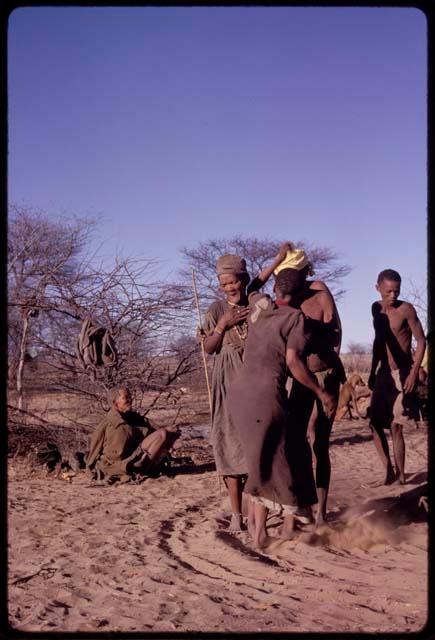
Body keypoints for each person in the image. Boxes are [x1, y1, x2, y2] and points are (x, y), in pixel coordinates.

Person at [227, 266, 337, 549]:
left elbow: (251, 289)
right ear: (300, 293)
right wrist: (319, 391)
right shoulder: (295, 318)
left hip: (238, 396)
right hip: (265, 397)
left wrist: (276, 260)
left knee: (260, 459)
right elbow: (293, 363)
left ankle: (258, 526)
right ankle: (279, 521)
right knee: (275, 460)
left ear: (275, 290)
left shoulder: (260, 308)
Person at [201, 244, 294, 531]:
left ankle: (263, 510)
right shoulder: (217, 309)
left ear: (243, 279)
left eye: (234, 281)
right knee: (230, 444)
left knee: (257, 443)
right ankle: (237, 517)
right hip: (228, 381)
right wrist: (223, 325)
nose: (230, 287)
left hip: (255, 377)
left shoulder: (253, 298)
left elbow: (262, 278)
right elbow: (208, 347)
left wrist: (279, 259)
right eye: (224, 283)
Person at [282, 249, 345, 525]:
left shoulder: (320, 296)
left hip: (323, 374)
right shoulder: (285, 303)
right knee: (296, 443)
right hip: (299, 378)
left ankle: (321, 512)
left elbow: (335, 333)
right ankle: (302, 506)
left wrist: (330, 366)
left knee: (320, 443)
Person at [368, 269, 426, 484]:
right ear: (378, 288)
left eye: (396, 291)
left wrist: (412, 372)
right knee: (374, 424)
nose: (393, 295)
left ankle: (401, 476)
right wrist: (374, 371)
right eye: (388, 291)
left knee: (395, 426)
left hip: (402, 373)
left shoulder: (406, 310)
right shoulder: (376, 309)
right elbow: (377, 342)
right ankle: (388, 470)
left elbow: (421, 341)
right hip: (383, 374)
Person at [86, 386, 179, 482]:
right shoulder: (106, 425)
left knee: (168, 433)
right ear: (115, 403)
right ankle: (142, 470)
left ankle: (148, 468)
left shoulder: (134, 417)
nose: (130, 399)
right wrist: (90, 471)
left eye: (130, 396)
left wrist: (169, 431)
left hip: (137, 455)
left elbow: (155, 428)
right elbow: (94, 450)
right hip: (120, 464)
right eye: (126, 397)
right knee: (162, 434)